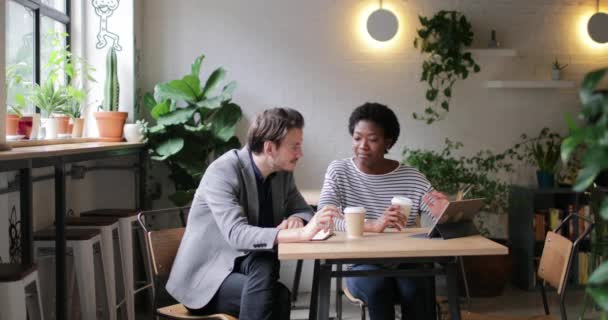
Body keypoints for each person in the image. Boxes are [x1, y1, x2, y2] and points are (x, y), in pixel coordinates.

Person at [167, 108, 339, 320]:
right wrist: (300, 234)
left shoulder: (282, 175)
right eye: (295, 146)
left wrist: (296, 219)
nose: (300, 154)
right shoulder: (223, 171)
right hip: (206, 279)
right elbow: (237, 234)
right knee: (278, 293)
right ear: (269, 148)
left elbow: (302, 209)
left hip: (248, 267)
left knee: (272, 277)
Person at [317, 102, 448, 320]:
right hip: (361, 263)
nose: (363, 146)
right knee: (379, 288)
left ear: (388, 142)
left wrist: (444, 210)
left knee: (416, 288)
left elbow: (438, 215)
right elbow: (324, 218)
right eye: (357, 138)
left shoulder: (411, 177)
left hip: (407, 260)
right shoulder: (340, 171)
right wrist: (371, 225)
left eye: (373, 139)